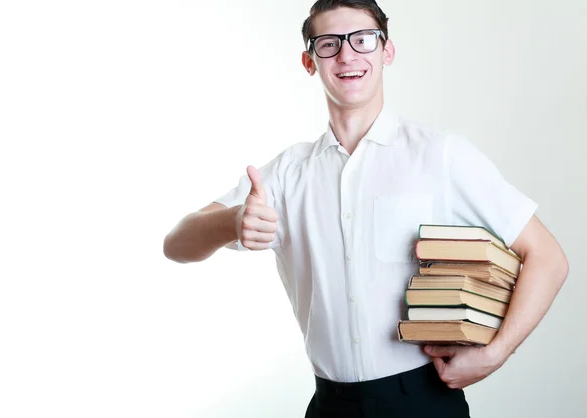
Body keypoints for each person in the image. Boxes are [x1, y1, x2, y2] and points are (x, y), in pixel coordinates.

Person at [163, 1, 569, 416]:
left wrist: (496, 354)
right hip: (329, 406)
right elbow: (176, 244)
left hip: (424, 402)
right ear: (309, 61)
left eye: (362, 39)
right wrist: (231, 222)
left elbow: (548, 258)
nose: (346, 55)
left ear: (386, 51)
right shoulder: (286, 174)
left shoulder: (440, 155)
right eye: (328, 43)